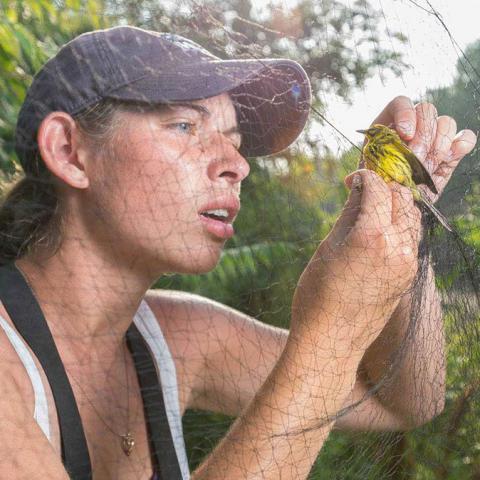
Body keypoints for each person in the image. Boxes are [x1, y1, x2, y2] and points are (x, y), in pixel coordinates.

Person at [0, 24, 476, 480]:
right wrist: (335, 327)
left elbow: (404, 399)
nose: (237, 165)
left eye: (235, 140)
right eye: (185, 126)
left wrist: (399, 207)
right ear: (68, 151)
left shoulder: (179, 338)